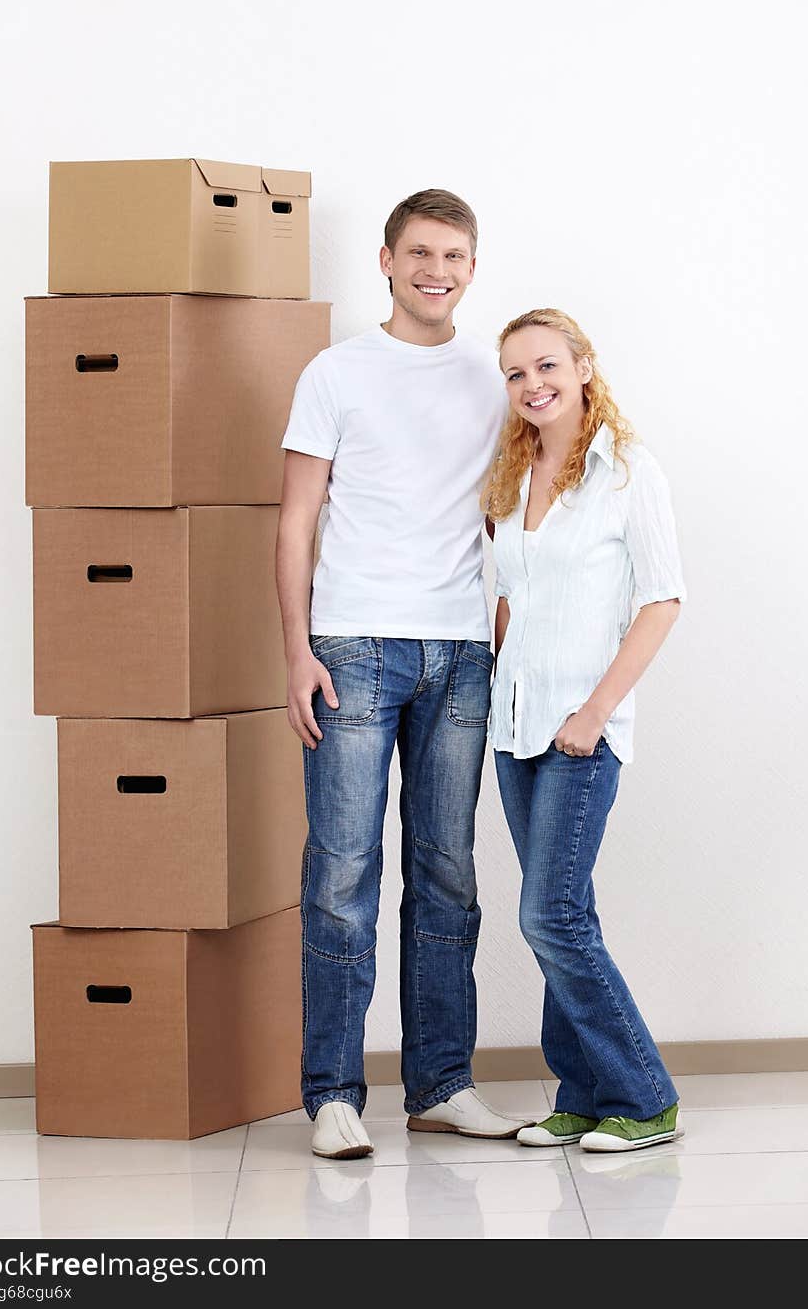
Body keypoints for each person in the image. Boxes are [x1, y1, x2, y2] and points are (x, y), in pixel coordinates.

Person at [276, 190, 529, 1159]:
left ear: (472, 264)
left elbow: (514, 516)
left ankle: (441, 1083)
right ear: (385, 260)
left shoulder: (491, 376)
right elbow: (295, 518)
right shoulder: (335, 371)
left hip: (460, 652)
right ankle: (334, 1093)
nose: (437, 269)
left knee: (446, 876)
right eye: (419, 252)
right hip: (350, 645)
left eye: (455, 254)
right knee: (341, 873)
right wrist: (293, 648)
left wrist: (510, 633)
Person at [482, 307, 687, 1153]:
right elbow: (507, 598)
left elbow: (662, 599)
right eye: (517, 375)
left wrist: (595, 712)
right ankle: (580, 1092)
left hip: (582, 729)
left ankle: (644, 1098)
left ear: (584, 367)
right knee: (567, 913)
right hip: (515, 723)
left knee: (549, 916)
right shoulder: (510, 474)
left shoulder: (629, 472)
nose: (533, 385)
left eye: (546, 367)